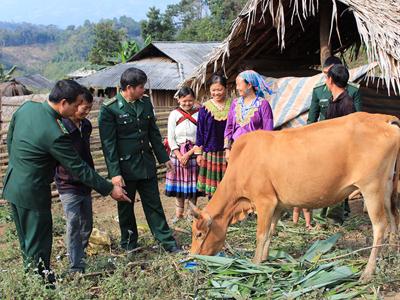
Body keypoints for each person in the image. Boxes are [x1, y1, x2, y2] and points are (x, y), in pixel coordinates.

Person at [2, 80, 130, 285]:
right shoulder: (55, 133)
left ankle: (31, 278)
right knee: (39, 243)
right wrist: (109, 189)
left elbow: (10, 138)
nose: (79, 108)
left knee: (26, 241)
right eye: (76, 103)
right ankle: (42, 285)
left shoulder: (27, 108)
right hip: (33, 192)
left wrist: (19, 167)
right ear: (63, 103)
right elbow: (78, 168)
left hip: (13, 185)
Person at [98, 67, 179, 253]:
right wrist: (115, 174)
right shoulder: (109, 109)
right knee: (126, 208)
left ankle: (167, 242)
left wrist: (163, 157)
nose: (144, 90)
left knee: (154, 205)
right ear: (129, 87)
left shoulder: (145, 103)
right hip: (125, 169)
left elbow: (152, 132)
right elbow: (108, 145)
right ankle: (129, 244)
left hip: (146, 164)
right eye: (141, 87)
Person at [307, 56, 361, 224]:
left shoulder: (348, 97)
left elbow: (355, 122)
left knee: (338, 181)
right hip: (325, 144)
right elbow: (312, 119)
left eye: (327, 75)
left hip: (340, 147)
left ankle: (334, 217)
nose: (325, 78)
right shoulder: (325, 95)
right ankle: (322, 217)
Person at [54, 88, 95, 274]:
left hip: (86, 182)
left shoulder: (86, 125)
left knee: (87, 224)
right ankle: (75, 266)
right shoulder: (61, 126)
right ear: (74, 105)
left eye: (89, 109)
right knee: (73, 224)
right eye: (84, 108)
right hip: (67, 182)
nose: (86, 112)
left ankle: (79, 254)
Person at [165, 87, 199, 222]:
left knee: (193, 186)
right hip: (177, 154)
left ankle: (192, 214)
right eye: (184, 100)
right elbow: (171, 138)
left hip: (193, 154)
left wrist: (189, 154)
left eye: (190, 101)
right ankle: (179, 215)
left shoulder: (199, 114)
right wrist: (179, 155)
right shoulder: (174, 115)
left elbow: (201, 137)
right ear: (179, 100)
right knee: (179, 186)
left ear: (194, 100)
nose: (187, 103)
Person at [195, 74, 231, 198]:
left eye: (219, 89)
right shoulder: (204, 108)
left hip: (229, 151)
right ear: (209, 90)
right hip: (211, 151)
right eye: (213, 90)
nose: (216, 93)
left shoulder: (233, 105)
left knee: (230, 184)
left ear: (226, 89)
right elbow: (200, 131)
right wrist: (199, 154)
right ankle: (213, 212)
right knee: (213, 187)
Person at [224, 70, 274, 161]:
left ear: (249, 85)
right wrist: (227, 150)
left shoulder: (263, 104)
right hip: (236, 150)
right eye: (236, 85)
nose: (237, 88)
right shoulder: (235, 103)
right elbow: (229, 128)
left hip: (255, 152)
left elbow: (268, 131)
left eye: (239, 84)